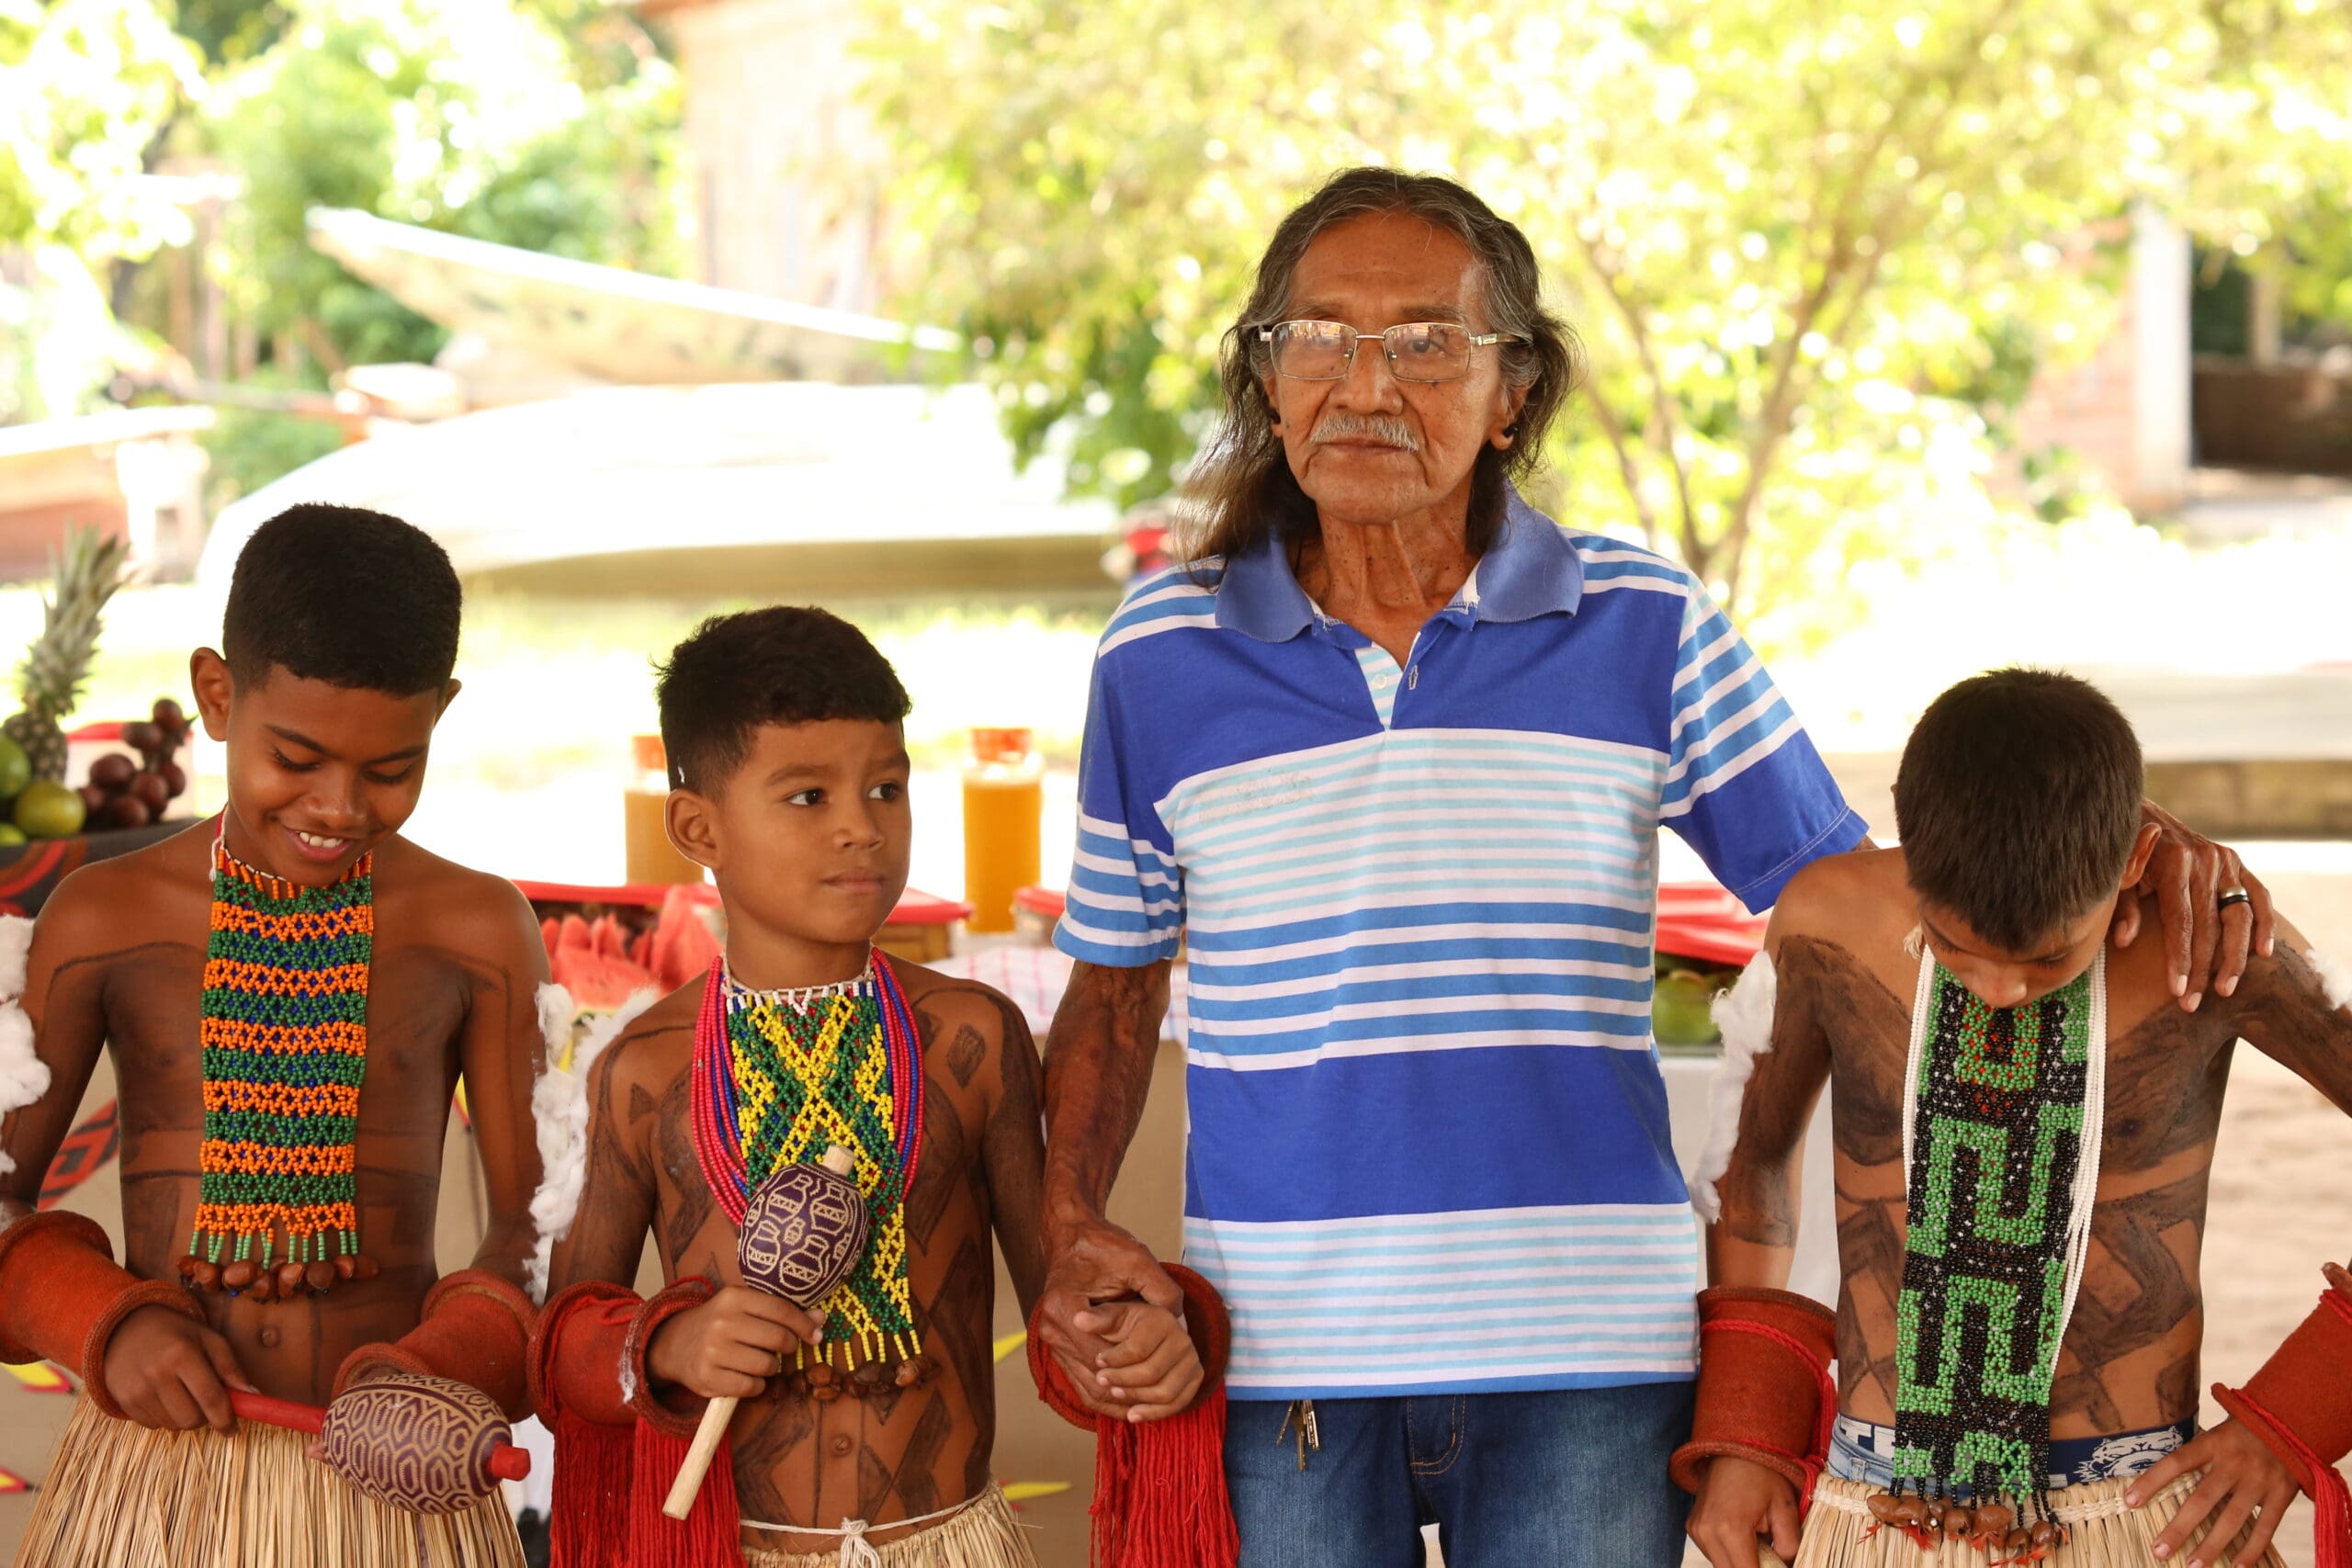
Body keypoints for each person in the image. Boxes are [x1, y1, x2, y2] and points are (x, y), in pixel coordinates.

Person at [1032, 165, 2277, 1568]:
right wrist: (1072, 1219)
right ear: (1267, 379)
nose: (1364, 382)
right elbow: (1114, 994)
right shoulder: (1160, 657)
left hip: (1591, 1342)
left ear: (1515, 393)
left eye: (1427, 342)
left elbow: (1850, 904)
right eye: (1316, 336)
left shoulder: (1645, 624)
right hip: (1285, 1340)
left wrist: (2114, 839)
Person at [531, 606, 1210, 1568]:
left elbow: (1059, 1291)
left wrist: (1133, 1341)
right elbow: (562, 1350)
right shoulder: (645, 1066)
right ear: (696, 827)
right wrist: (667, 1348)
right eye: (808, 797)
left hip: (950, 1541)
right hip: (743, 1546)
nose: (862, 828)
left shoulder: (970, 1040)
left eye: (887, 788)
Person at [1681, 669, 2352, 1568]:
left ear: (2132, 865)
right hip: (1871, 1511)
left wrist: (2297, 1415)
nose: (1998, 990)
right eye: (1955, 947)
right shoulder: (1828, 920)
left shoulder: (2213, 948)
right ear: (1911, 850)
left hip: (2140, 1511)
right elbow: (1754, 1159)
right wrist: (1746, 1428)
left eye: (2046, 959)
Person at [0, 503, 549, 1564]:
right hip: (156, 1489)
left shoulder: (477, 928)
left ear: (442, 712)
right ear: (217, 695)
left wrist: (440, 1370)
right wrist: (107, 1323)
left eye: (391, 768)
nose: (339, 805)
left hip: (395, 1482)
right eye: (295, 756)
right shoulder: (103, 917)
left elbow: (550, 1232)